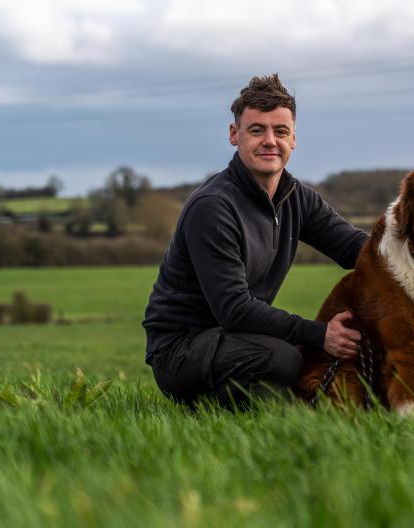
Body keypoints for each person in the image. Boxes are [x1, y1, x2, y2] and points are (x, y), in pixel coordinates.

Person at [142, 74, 368, 409]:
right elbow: (234, 309)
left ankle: (290, 406)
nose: (270, 141)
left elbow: (355, 249)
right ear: (235, 135)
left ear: (293, 139)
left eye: (280, 131)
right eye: (257, 130)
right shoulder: (213, 206)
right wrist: (320, 334)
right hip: (181, 349)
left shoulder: (296, 197)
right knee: (283, 358)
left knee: (294, 353)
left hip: (236, 337)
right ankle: (209, 408)